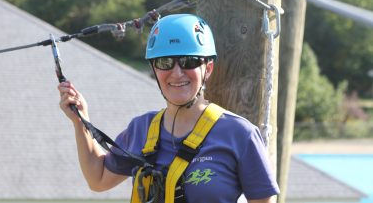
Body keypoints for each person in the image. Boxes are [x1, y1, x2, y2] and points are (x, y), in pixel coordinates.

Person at [58, 14, 279, 203]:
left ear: (208, 68)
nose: (177, 72)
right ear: (155, 69)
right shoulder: (141, 129)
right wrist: (80, 121)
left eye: (188, 61)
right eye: (165, 63)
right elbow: (98, 179)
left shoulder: (239, 135)